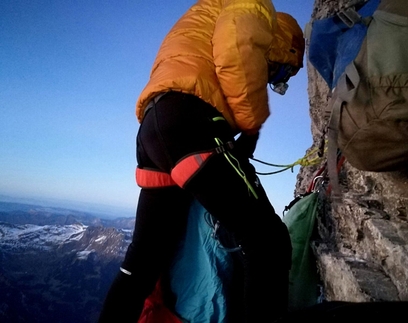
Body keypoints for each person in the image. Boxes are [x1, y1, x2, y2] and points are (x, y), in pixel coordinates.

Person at [98, 0, 305, 322]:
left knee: (143, 259)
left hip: (154, 129)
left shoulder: (201, 20)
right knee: (267, 242)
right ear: (284, 46)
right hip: (190, 121)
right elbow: (236, 46)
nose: (275, 82)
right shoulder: (254, 6)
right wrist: (251, 127)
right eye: (281, 74)